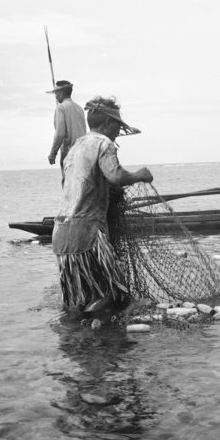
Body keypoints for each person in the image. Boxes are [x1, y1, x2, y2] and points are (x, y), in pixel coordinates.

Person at [52, 96, 153, 315]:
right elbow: (115, 175)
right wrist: (139, 176)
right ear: (108, 123)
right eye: (117, 125)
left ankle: (80, 339)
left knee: (80, 296)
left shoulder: (75, 147)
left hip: (61, 232)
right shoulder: (103, 144)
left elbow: (71, 184)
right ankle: (103, 335)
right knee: (115, 293)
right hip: (87, 233)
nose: (118, 131)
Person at [46, 80, 87, 179]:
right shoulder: (79, 108)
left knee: (68, 185)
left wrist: (53, 153)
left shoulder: (61, 108)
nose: (55, 96)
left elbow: (60, 134)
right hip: (83, 152)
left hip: (69, 153)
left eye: (56, 93)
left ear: (61, 93)